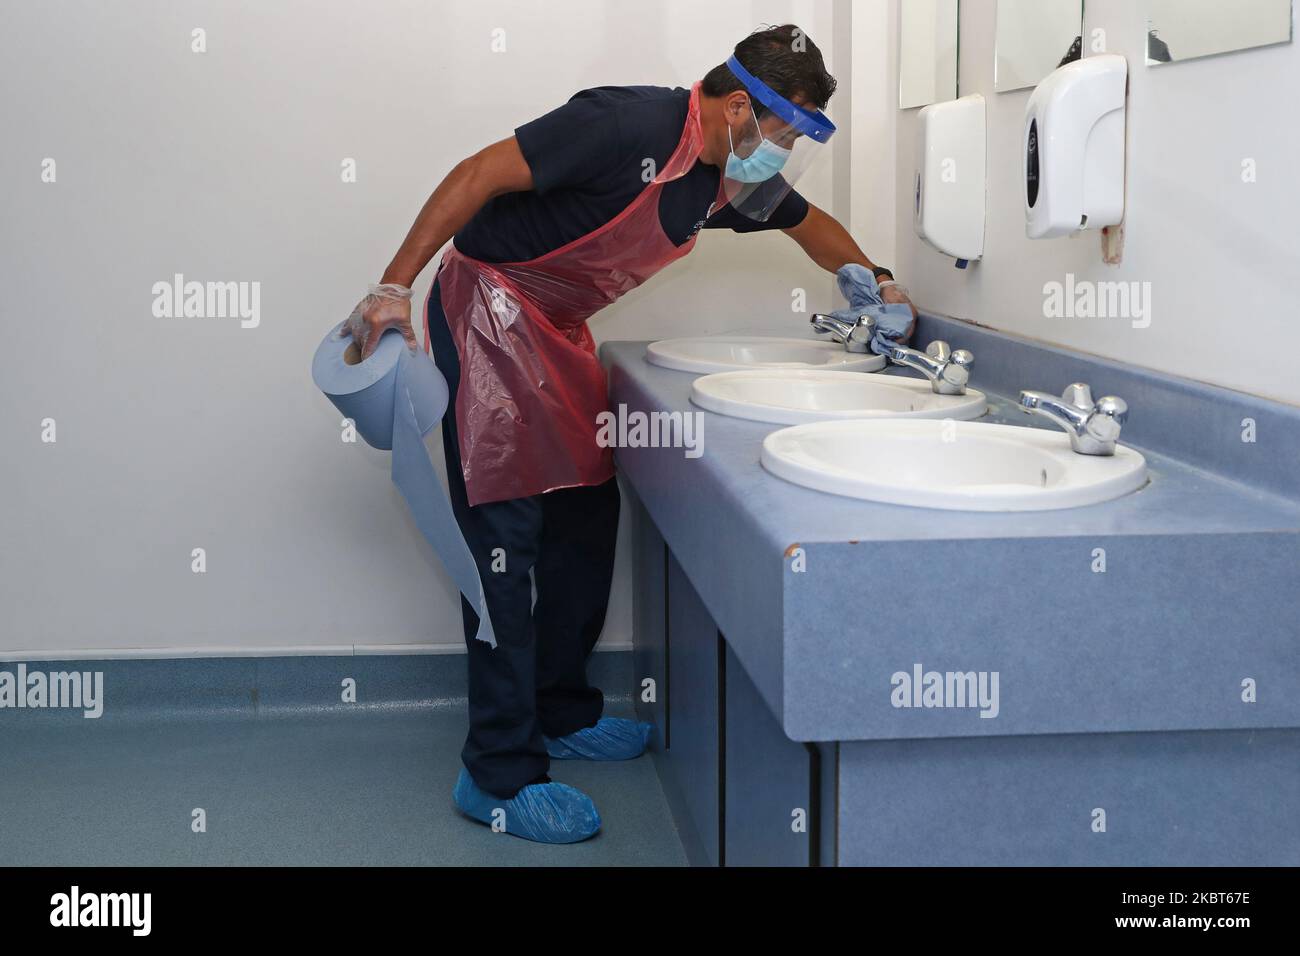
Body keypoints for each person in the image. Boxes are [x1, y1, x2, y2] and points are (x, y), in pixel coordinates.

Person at [344, 24, 917, 844]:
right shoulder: (625, 124)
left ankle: (562, 711)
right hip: (487, 310)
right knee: (504, 545)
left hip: (557, 327)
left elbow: (807, 222)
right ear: (732, 106)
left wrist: (875, 278)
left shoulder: (723, 175)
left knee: (585, 517)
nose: (782, 153)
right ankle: (497, 773)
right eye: (782, 131)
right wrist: (393, 286)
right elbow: (476, 174)